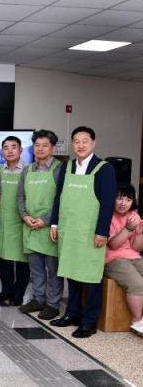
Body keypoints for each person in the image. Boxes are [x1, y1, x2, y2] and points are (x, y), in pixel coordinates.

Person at [50, 126, 117, 338]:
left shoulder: (104, 169)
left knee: (90, 277)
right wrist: (54, 224)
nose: (80, 145)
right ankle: (72, 314)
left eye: (84, 141)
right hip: (69, 230)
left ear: (93, 143)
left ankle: (89, 321)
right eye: (76, 141)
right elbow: (58, 197)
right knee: (72, 273)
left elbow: (107, 204)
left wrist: (102, 232)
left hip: (90, 233)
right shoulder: (67, 166)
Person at [17, 130, 64, 320]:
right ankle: (38, 298)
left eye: (45, 145)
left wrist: (46, 219)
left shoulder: (60, 169)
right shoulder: (27, 170)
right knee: (35, 268)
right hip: (29, 225)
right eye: (37, 145)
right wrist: (25, 216)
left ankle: (52, 304)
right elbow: (20, 196)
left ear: (52, 147)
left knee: (53, 269)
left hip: (49, 227)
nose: (40, 149)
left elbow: (61, 199)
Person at [0, 136, 29, 306]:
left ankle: (18, 293)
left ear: (21, 150)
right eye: (6, 147)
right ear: (2, 152)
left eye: (13, 147)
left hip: (21, 222)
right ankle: (6, 290)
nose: (9, 150)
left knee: (22, 262)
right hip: (2, 222)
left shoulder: (28, 171)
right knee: (3, 259)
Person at [106, 183, 143, 335]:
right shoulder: (107, 215)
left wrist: (140, 233)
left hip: (132, 256)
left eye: (128, 200)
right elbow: (113, 245)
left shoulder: (134, 217)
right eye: (119, 198)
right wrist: (127, 229)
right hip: (112, 259)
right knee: (137, 283)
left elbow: (136, 248)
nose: (123, 203)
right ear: (113, 199)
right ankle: (137, 321)